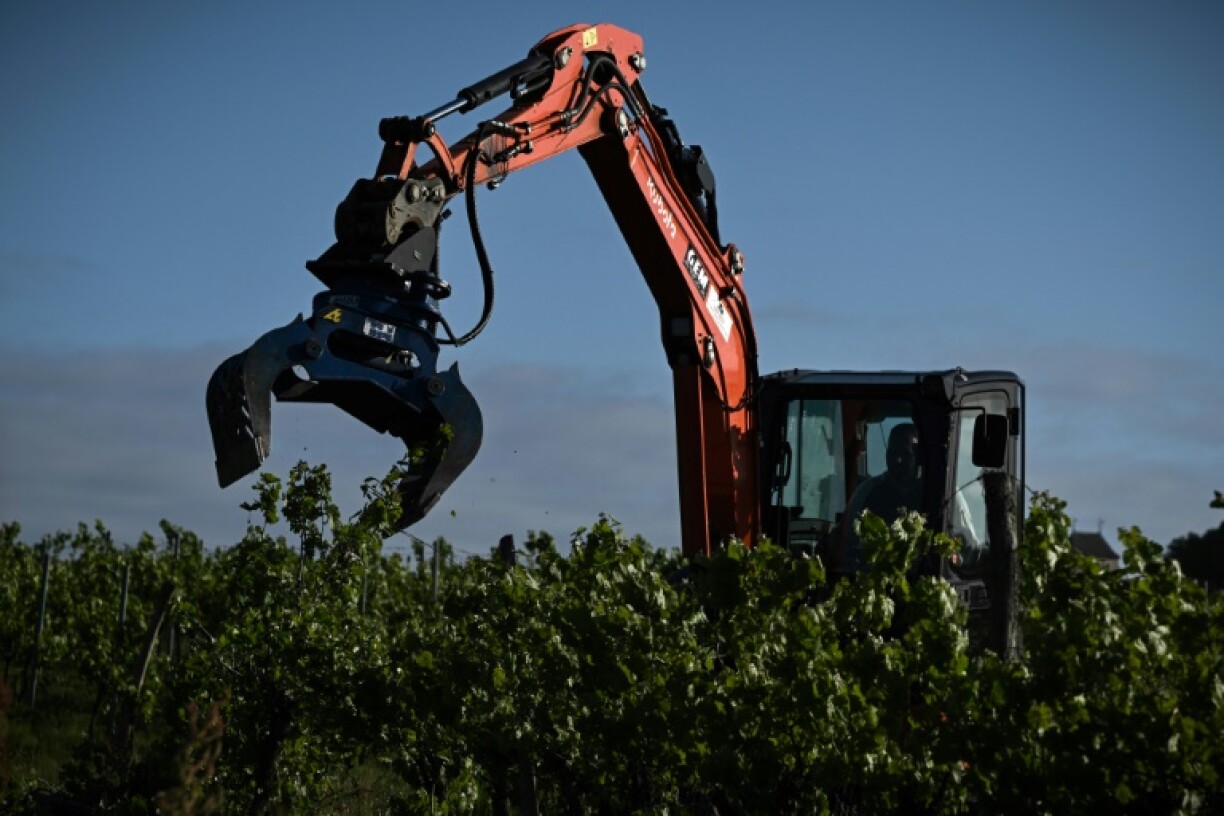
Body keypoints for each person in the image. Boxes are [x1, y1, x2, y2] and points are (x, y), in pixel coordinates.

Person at [841, 422, 923, 572]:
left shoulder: (938, 493)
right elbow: (848, 543)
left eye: (905, 454)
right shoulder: (866, 492)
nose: (898, 460)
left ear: (919, 456)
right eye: (893, 454)